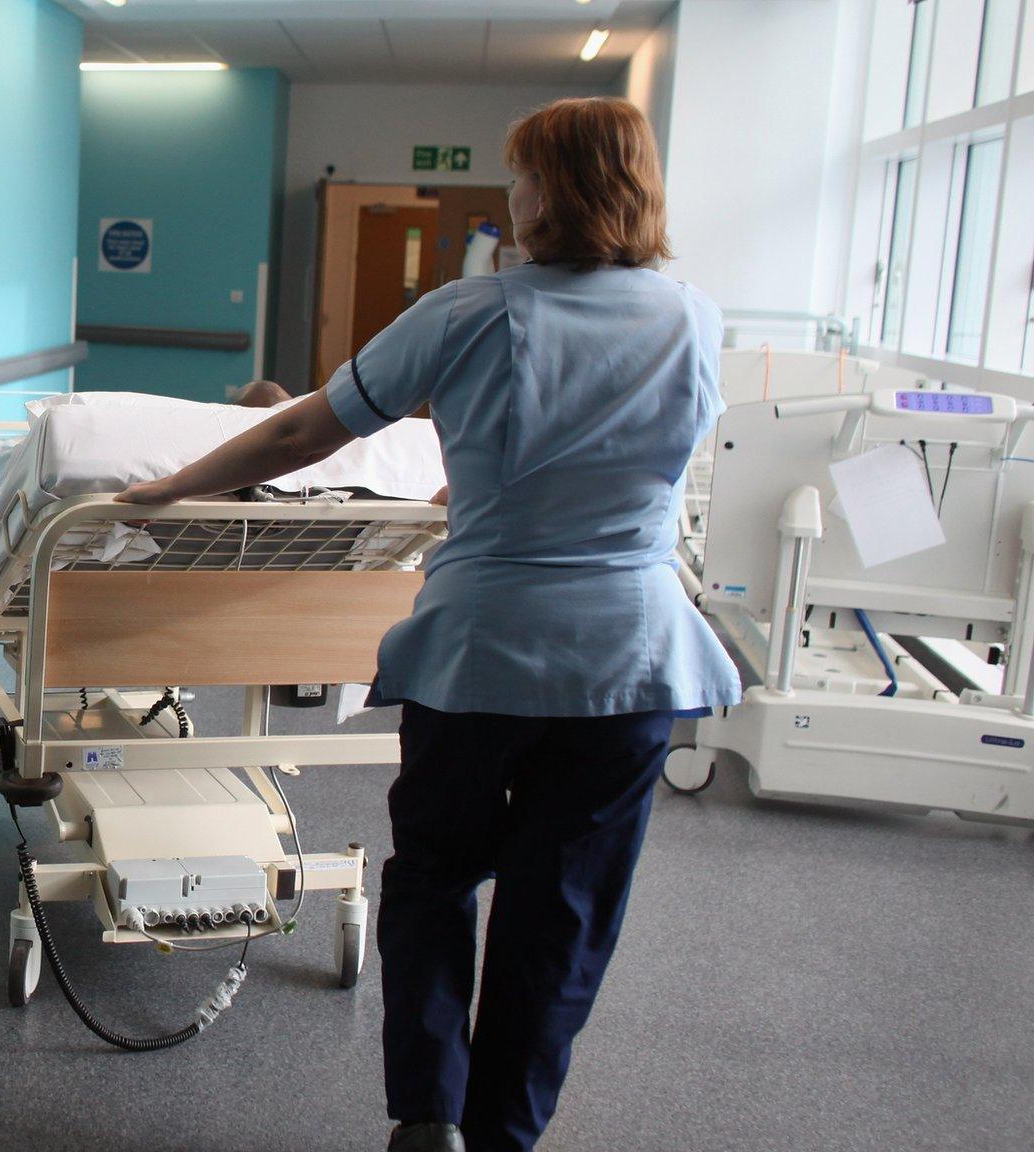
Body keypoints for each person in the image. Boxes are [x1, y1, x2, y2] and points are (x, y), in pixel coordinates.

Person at [118, 97, 738, 1152]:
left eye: (521, 177)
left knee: (437, 877)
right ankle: (505, 1134)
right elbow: (634, 462)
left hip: (481, 654)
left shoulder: (468, 313)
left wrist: (171, 486)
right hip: (628, 662)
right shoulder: (692, 320)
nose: (512, 196)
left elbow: (306, 428)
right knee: (565, 912)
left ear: (552, 191)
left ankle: (426, 1116)